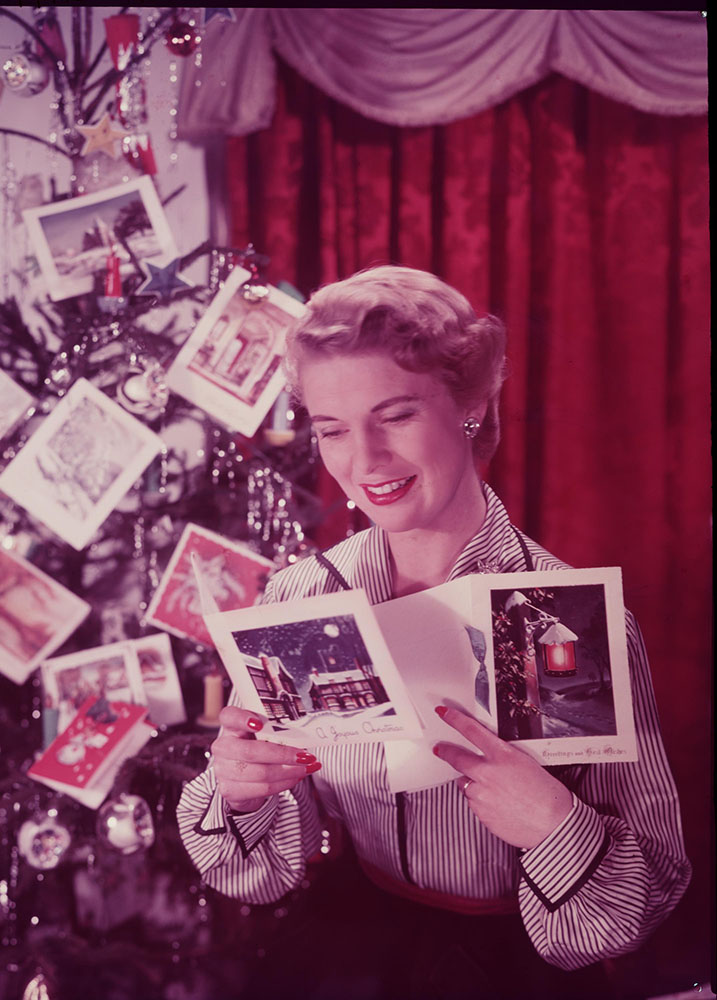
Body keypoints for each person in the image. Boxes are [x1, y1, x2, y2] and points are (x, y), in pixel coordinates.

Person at [177, 266, 691, 999]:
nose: (364, 462)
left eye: (394, 416)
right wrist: (238, 790)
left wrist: (552, 823)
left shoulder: (566, 616)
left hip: (514, 970)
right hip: (346, 956)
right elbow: (255, 875)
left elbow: (656, 882)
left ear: (470, 405)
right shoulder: (300, 596)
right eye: (331, 429)